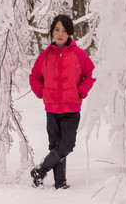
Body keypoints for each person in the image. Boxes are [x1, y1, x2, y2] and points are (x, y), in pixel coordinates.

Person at [29, 14, 96, 189]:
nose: (60, 34)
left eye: (64, 31)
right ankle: (60, 183)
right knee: (55, 146)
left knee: (67, 144)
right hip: (51, 110)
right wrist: (43, 92)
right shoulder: (45, 56)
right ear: (52, 32)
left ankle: (40, 170)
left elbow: (90, 75)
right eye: (57, 30)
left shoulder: (79, 54)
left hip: (71, 109)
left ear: (70, 34)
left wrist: (80, 91)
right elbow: (34, 77)